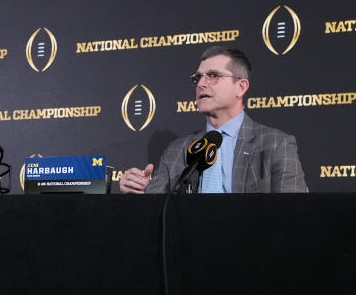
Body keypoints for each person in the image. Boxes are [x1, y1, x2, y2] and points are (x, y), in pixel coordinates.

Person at [119, 46, 308, 194]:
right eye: (198, 78)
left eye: (213, 76)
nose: (201, 84)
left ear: (240, 87)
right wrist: (140, 190)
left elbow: (292, 215)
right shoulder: (177, 150)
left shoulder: (276, 145)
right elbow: (158, 213)